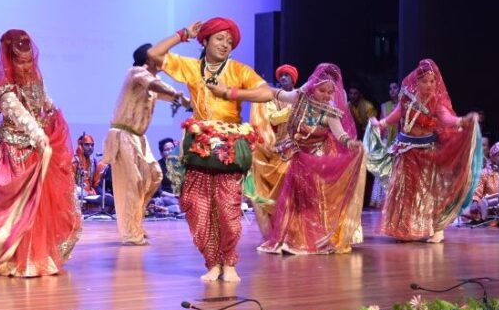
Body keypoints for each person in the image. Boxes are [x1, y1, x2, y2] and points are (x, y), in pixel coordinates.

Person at [147, 17, 268, 282]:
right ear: (205, 40)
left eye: (229, 41)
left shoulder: (239, 70)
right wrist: (183, 34)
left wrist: (231, 94)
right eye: (219, 38)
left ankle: (230, 262)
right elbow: (154, 54)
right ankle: (212, 262)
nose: (225, 44)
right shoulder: (192, 67)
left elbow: (266, 93)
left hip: (228, 145)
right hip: (199, 145)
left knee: (228, 208)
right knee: (197, 208)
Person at [0, 29, 82, 277]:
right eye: (21, 61)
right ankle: (13, 258)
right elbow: (18, 113)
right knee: (16, 206)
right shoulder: (3, 86)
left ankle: (39, 256)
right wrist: (39, 135)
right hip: (12, 153)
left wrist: (52, 115)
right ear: (9, 59)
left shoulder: (34, 78)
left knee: (39, 206)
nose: (27, 66)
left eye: (30, 61)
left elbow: (44, 101)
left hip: (36, 150)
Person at [217, 64, 367, 254]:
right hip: (296, 157)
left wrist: (350, 143)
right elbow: (272, 93)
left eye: (330, 92)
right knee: (293, 200)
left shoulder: (330, 111)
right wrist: (236, 91)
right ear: (313, 86)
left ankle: (317, 239)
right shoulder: (299, 97)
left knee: (313, 200)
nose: (327, 95)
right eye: (322, 90)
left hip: (317, 160)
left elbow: (340, 134)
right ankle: (292, 238)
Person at [368, 59, 482, 243]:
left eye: (432, 81)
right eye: (424, 81)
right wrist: (381, 123)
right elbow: (397, 114)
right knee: (404, 191)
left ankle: (435, 229)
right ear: (416, 82)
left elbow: (446, 118)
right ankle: (405, 229)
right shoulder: (406, 98)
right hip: (405, 150)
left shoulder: (436, 102)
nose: (429, 85)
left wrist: (462, 121)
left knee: (427, 192)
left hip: (427, 152)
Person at [103, 43, 189, 244]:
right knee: (134, 181)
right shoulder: (136, 73)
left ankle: (135, 222)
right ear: (149, 59)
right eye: (159, 56)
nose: (163, 59)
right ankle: (130, 233)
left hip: (138, 137)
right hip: (123, 134)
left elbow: (168, 94)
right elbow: (155, 85)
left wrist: (189, 103)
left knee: (155, 175)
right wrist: (176, 94)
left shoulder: (154, 81)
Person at [247, 64, 298, 234]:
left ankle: (295, 226)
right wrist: (293, 109)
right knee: (281, 184)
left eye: (286, 75)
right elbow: (273, 119)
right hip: (278, 148)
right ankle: (279, 226)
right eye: (281, 75)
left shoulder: (300, 97)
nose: (283, 78)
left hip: (298, 146)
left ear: (293, 79)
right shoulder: (272, 97)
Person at [368, 81, 400, 208]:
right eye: (390, 89)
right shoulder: (384, 106)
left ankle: (394, 201)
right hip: (387, 142)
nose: (392, 91)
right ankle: (379, 200)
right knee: (383, 171)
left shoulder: (403, 106)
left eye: (395, 88)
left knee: (396, 172)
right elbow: (380, 126)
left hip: (399, 142)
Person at [73, 132, 113, 211]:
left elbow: (96, 184)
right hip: (77, 193)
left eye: (92, 145)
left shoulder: (93, 162)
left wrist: (103, 194)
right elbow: (69, 184)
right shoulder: (74, 161)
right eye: (87, 145)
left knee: (111, 200)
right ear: (81, 146)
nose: (90, 147)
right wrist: (83, 191)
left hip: (91, 194)